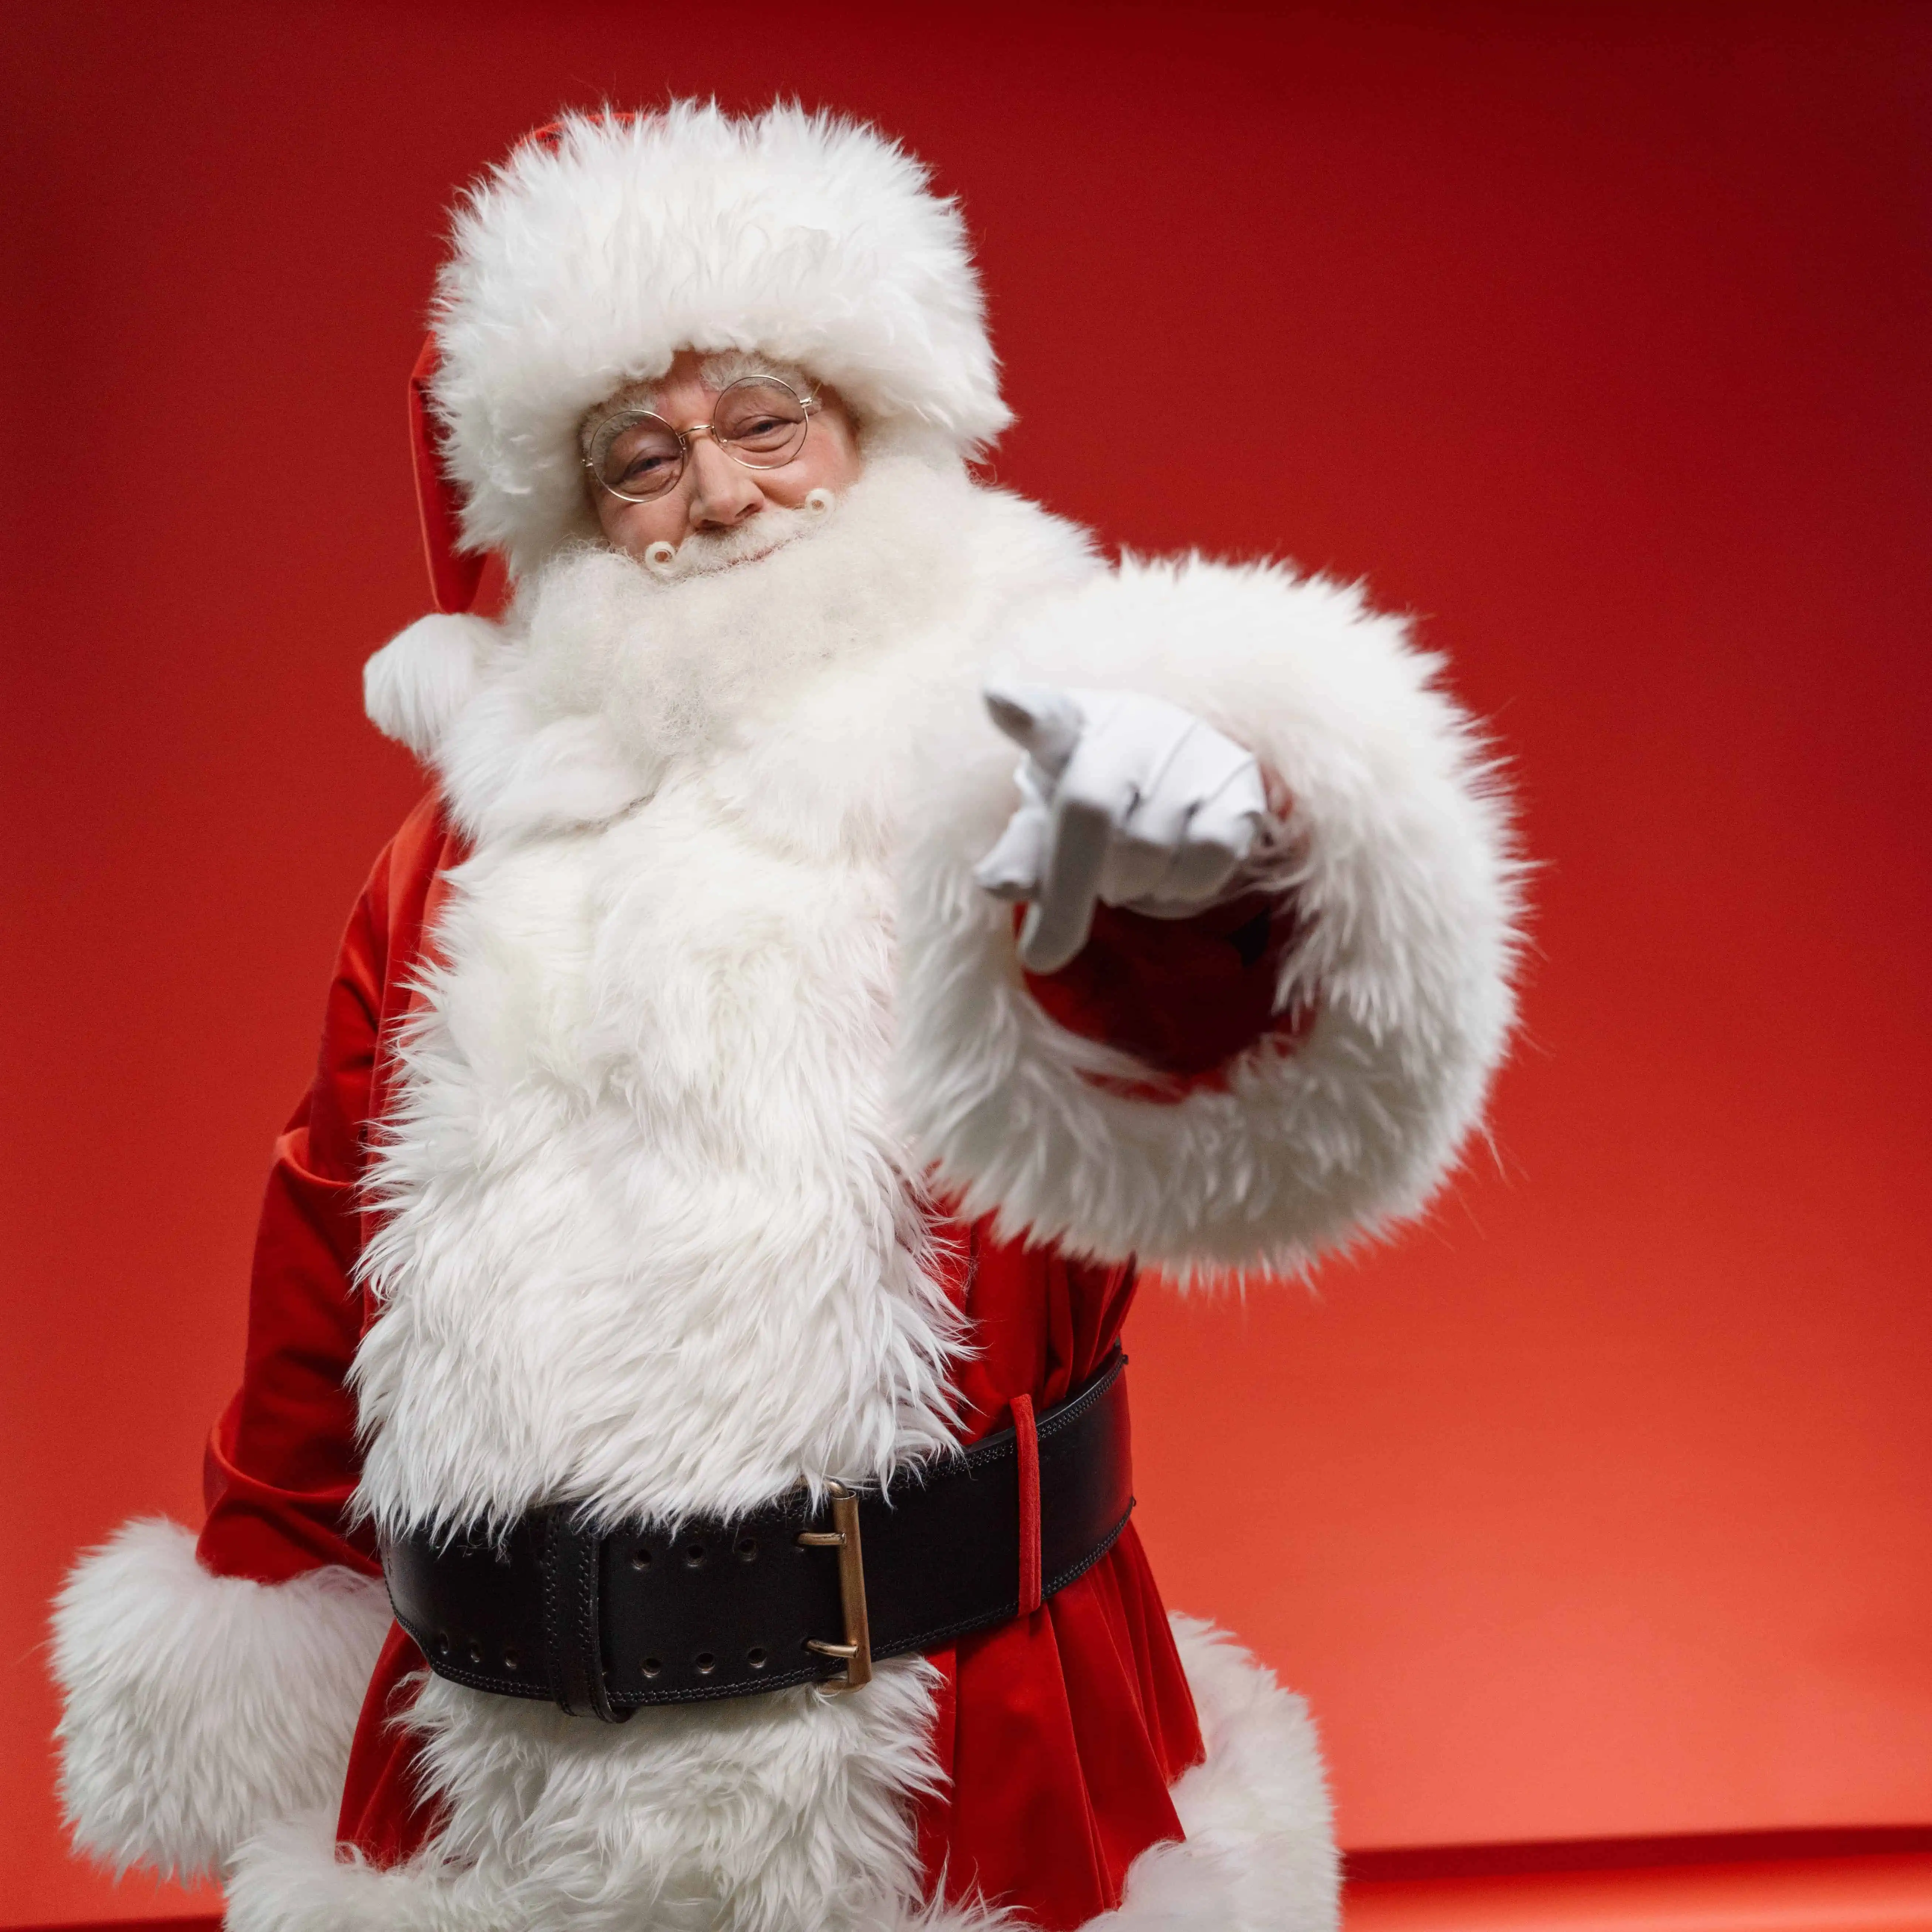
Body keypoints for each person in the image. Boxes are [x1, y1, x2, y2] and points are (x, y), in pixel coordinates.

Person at [51, 103, 1518, 1932]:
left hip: (944, 1759)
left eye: (764, 421)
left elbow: (1171, 1088)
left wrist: (1222, 890)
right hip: (506, 1777)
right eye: (640, 456)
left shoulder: (1009, 762)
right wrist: (264, 1578)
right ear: (570, 508)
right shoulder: (457, 857)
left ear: (868, 425)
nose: (720, 492)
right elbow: (324, 1262)